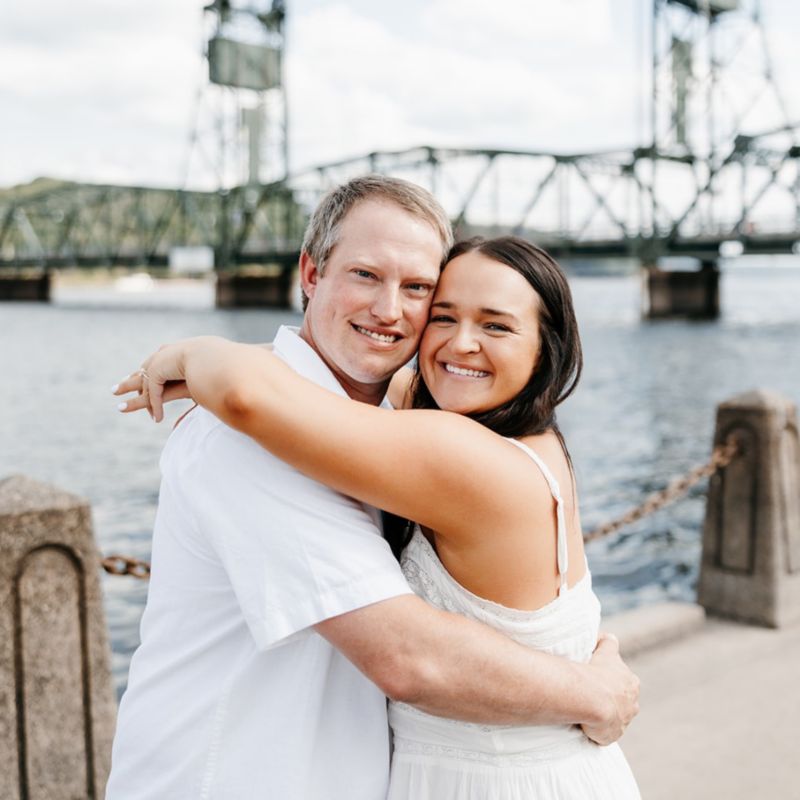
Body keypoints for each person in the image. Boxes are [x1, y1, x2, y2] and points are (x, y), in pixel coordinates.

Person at [109, 176, 639, 800]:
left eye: (417, 289)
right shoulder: (249, 442)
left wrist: (203, 354)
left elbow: (287, 388)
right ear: (311, 273)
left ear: (545, 350)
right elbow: (408, 658)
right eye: (365, 275)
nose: (390, 310)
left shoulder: (414, 430)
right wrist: (593, 692)